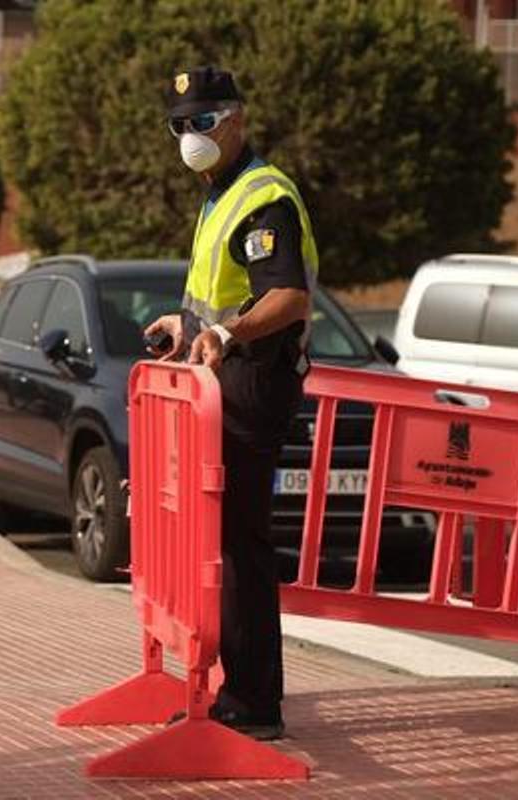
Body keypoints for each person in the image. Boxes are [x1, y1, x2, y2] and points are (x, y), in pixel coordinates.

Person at [144, 66, 317, 741]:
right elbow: (221, 297)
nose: (191, 136)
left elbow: (287, 297)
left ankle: (254, 703)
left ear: (237, 118)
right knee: (212, 542)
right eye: (180, 125)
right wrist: (186, 325)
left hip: (252, 384)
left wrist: (224, 332)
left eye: (203, 121)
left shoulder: (260, 196)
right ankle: (223, 686)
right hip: (222, 378)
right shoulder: (219, 194)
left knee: (240, 545)